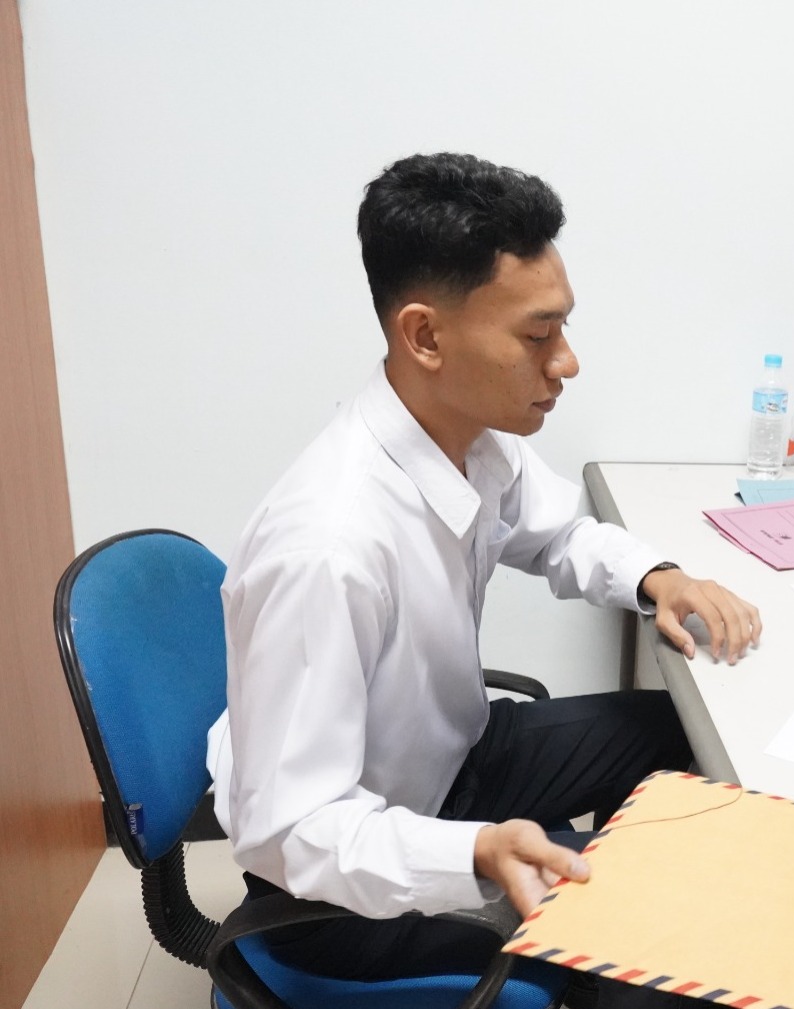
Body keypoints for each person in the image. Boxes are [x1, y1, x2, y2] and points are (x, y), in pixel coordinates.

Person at [207, 152, 760, 1008]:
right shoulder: (328, 545)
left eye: (563, 329)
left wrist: (658, 576)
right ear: (425, 336)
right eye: (538, 336)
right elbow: (292, 830)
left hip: (455, 764)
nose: (566, 362)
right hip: (338, 898)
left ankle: (620, 913)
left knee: (673, 728)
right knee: (644, 957)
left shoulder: (467, 436)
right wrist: (472, 854)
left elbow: (560, 529)